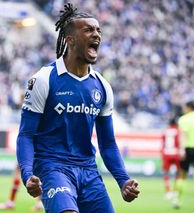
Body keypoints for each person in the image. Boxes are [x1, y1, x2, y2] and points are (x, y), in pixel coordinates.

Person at [16, 3, 140, 213]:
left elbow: (108, 143)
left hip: (88, 170)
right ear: (70, 39)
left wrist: (123, 180)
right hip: (52, 167)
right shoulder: (44, 79)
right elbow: (26, 134)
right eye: (89, 30)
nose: (96, 34)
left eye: (99, 30)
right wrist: (28, 174)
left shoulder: (102, 87)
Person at [161, 117, 183, 200]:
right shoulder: (178, 130)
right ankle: (175, 191)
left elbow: (163, 143)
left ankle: (168, 192)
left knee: (166, 173)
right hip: (176, 153)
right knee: (178, 173)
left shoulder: (165, 130)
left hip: (166, 153)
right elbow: (180, 142)